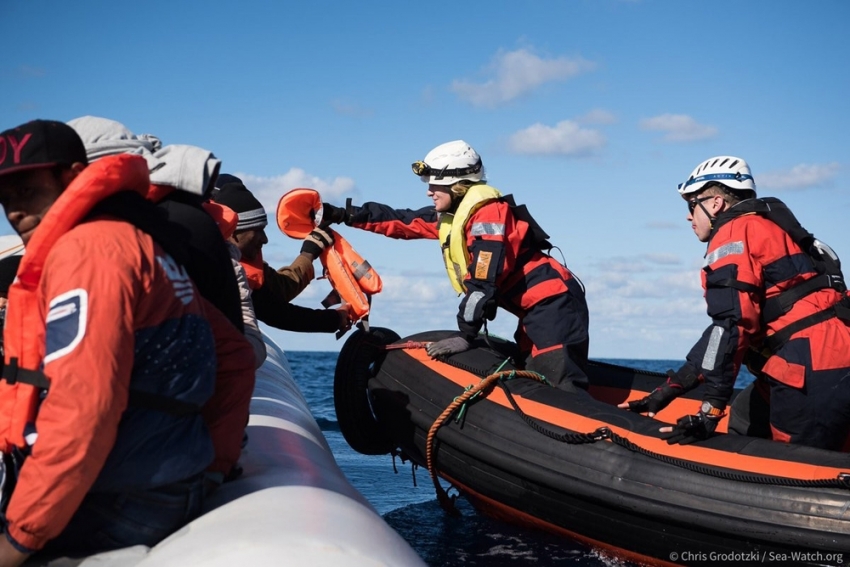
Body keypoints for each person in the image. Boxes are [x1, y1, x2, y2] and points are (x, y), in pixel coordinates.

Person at [0, 119, 229, 564]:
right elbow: (236, 357)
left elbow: (82, 407)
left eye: (27, 192)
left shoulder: (87, 251)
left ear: (71, 177)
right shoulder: (145, 243)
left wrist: (18, 540)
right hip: (173, 482)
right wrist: (216, 469)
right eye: (5, 199)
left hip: (122, 498)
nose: (14, 213)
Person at [620, 156, 850, 450]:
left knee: (800, 468)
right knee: (743, 414)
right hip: (831, 354)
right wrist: (668, 390)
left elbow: (730, 326)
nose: (689, 217)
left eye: (692, 206)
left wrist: (710, 410)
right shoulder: (772, 228)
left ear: (715, 203)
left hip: (812, 366)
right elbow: (723, 334)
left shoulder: (733, 233)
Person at [323, 140, 590, 391]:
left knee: (558, 384)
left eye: (435, 185)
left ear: (457, 185)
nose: (429, 191)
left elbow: (483, 281)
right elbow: (402, 221)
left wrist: (466, 334)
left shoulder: (489, 215)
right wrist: (343, 214)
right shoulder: (455, 216)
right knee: (534, 376)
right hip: (534, 309)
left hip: (554, 303)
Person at [212, 175, 352, 334]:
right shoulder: (211, 266)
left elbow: (277, 292)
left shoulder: (239, 259)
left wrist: (309, 253)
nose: (265, 239)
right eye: (257, 230)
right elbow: (276, 313)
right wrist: (336, 319)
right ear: (232, 232)